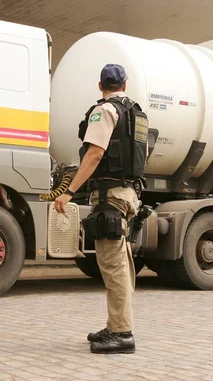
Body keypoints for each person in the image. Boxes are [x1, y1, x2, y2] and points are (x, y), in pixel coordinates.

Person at [54, 64, 149, 354]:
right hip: (128, 193)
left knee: (113, 265)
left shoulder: (105, 110)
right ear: (125, 84)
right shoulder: (136, 114)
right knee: (121, 263)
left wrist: (68, 192)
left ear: (100, 86)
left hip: (110, 196)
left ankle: (122, 333)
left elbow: (95, 153)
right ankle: (115, 325)